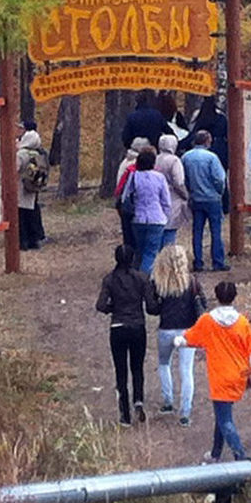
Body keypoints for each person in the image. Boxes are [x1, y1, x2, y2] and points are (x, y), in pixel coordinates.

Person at [177, 281, 251, 462]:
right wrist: (249, 374)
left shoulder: (208, 320)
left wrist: (177, 341)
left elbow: (189, 338)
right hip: (238, 373)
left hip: (219, 375)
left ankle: (241, 456)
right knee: (223, 414)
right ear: (234, 297)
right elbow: (249, 350)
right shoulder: (242, 322)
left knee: (225, 420)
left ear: (217, 296)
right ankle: (215, 453)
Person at [96, 245, 156, 426]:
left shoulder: (110, 279)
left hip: (118, 327)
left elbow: (100, 305)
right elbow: (151, 307)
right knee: (137, 367)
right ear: (132, 259)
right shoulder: (141, 278)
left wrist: (112, 309)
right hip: (137, 326)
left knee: (120, 370)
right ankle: (138, 400)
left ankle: (125, 415)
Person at [148, 245, 205, 426]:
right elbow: (203, 304)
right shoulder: (192, 282)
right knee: (186, 371)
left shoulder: (159, 282)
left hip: (166, 329)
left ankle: (168, 402)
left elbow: (153, 310)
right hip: (188, 331)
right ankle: (185, 413)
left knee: (164, 364)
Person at [182, 130, 228, 272]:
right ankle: (217, 262)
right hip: (212, 198)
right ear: (207, 141)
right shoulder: (212, 157)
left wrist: (190, 191)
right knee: (216, 231)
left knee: (197, 231)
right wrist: (219, 191)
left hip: (196, 198)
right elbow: (219, 178)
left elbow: (183, 178)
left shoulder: (186, 157)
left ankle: (198, 262)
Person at [122, 148, 172, 274]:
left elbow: (125, 196)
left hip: (138, 218)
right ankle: (145, 280)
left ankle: (133, 277)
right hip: (156, 218)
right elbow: (166, 201)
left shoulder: (134, 177)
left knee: (139, 250)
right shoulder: (159, 178)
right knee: (151, 253)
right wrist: (166, 216)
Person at [115, 137, 150, 249]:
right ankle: (134, 259)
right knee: (135, 235)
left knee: (127, 234)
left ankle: (127, 258)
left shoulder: (126, 160)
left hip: (122, 201)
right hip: (132, 202)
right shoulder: (137, 163)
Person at [16, 129, 47, 251]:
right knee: (32, 213)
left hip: (21, 187)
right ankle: (35, 240)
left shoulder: (22, 154)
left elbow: (15, 167)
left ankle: (23, 242)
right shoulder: (38, 153)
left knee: (21, 216)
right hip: (33, 187)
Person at [156, 134, 189, 247]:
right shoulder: (174, 161)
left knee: (159, 230)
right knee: (170, 231)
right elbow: (179, 182)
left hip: (157, 198)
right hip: (172, 198)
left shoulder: (155, 158)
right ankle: (168, 257)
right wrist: (185, 195)